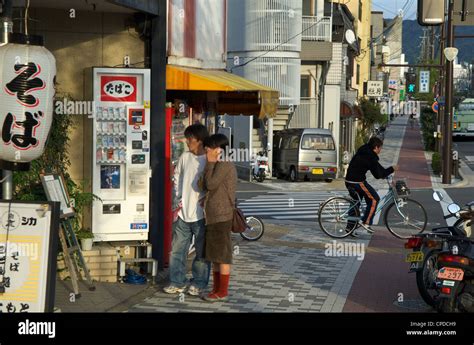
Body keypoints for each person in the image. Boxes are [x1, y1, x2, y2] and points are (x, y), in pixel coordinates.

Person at [163, 124, 210, 296]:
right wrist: (177, 199)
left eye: (190, 139)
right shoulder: (185, 157)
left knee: (201, 253)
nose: (187, 141)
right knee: (177, 250)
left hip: (202, 215)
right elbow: (177, 177)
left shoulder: (209, 159)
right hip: (183, 213)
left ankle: (199, 283)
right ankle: (177, 281)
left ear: (199, 140)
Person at [201, 134, 237, 302]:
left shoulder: (224, 164)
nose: (206, 150)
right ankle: (216, 289)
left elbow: (210, 184)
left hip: (221, 215)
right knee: (215, 255)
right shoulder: (217, 164)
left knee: (222, 255)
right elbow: (202, 184)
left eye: (209, 147)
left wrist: (209, 162)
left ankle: (222, 291)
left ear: (218, 149)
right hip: (214, 215)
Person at [345, 137, 399, 236]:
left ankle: (350, 228)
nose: (380, 150)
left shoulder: (365, 150)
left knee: (355, 203)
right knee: (374, 199)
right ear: (376, 147)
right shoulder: (370, 157)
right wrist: (392, 169)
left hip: (350, 180)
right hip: (356, 182)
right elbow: (378, 174)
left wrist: (387, 173)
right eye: (380, 148)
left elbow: (378, 168)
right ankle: (366, 222)